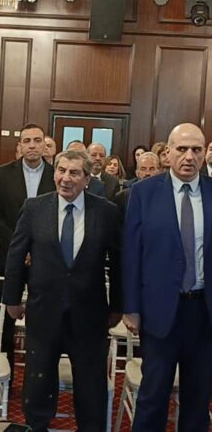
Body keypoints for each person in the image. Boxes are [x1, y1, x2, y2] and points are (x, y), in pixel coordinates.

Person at [3, 149, 122, 432]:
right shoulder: (34, 208)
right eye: (61, 170)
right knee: (38, 380)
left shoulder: (106, 211)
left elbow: (119, 262)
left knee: (90, 384)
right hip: (44, 311)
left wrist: (118, 305)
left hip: (90, 315)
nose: (65, 178)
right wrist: (11, 299)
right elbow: (15, 255)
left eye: (74, 173)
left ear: (87, 179)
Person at [123, 123, 212, 431]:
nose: (189, 156)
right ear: (168, 152)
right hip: (159, 311)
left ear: (204, 153)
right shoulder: (143, 193)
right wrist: (131, 307)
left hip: (204, 312)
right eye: (182, 149)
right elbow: (131, 254)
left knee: (198, 397)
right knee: (153, 394)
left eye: (196, 150)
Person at [0, 123, 55, 377]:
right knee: (6, 317)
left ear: (45, 145)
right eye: (27, 141)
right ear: (19, 146)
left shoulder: (56, 174)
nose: (32, 145)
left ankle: (38, 376)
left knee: (43, 317)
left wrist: (35, 247)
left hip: (46, 257)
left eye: (37, 140)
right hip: (12, 256)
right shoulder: (3, 174)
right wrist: (20, 246)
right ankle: (4, 376)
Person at [113, 152, 160, 223]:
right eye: (143, 169)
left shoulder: (166, 195)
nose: (147, 173)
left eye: (152, 169)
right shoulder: (122, 197)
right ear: (137, 172)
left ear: (158, 171)